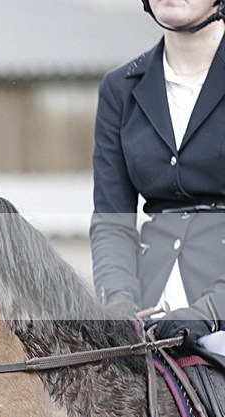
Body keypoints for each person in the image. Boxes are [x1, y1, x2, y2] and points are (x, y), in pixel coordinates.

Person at [90, 0, 225, 359]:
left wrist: (210, 311)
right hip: (150, 310)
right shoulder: (119, 88)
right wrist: (119, 303)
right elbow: (111, 222)